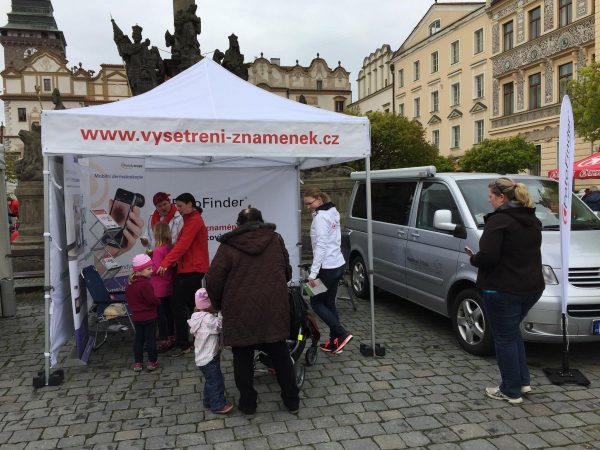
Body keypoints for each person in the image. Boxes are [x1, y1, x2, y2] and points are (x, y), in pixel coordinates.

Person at [206, 207, 300, 415]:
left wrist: (220, 303)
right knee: (280, 353)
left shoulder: (227, 246)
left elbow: (213, 280)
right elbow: (286, 270)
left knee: (242, 357)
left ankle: (248, 404)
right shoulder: (275, 239)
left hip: (239, 309)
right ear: (261, 220)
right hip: (273, 306)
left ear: (238, 224)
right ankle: (292, 401)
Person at [468, 177, 544, 405]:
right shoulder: (532, 219)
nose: (489, 200)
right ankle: (522, 381)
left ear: (502, 197)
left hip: (503, 288)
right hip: (531, 287)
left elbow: (489, 256)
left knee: (504, 339)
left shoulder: (499, 221)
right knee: (512, 334)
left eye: (491, 196)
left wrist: (474, 259)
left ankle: (510, 390)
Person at [157, 193, 209, 357]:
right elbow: (181, 244)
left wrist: (165, 262)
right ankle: (203, 337)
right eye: (177, 206)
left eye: (180, 206)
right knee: (191, 305)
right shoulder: (190, 219)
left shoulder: (194, 221)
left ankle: (183, 344)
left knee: (177, 304)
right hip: (191, 267)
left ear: (190, 204)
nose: (177, 209)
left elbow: (183, 245)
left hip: (192, 268)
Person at [303, 187, 353, 354]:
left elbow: (321, 246)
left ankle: (341, 333)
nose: (308, 207)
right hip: (338, 263)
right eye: (306, 204)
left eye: (309, 203)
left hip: (326, 267)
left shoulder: (321, 217)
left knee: (315, 302)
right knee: (329, 303)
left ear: (318, 199)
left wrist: (312, 274)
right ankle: (335, 342)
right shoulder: (332, 211)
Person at [188, 288, 233, 415]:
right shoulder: (208, 319)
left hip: (202, 357)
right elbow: (219, 327)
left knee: (210, 379)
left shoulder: (197, 316)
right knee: (216, 381)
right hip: (209, 357)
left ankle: (208, 400)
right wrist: (220, 313)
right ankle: (218, 405)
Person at [125, 254, 162, 372]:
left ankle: (138, 362)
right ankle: (152, 361)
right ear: (139, 271)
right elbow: (152, 300)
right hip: (149, 316)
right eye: (149, 269)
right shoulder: (145, 284)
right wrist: (158, 302)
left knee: (138, 340)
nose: (152, 271)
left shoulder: (130, 285)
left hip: (136, 317)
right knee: (150, 340)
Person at [150, 222, 175, 353]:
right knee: (168, 313)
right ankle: (171, 335)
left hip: (158, 288)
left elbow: (156, 269)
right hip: (168, 286)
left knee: (160, 316)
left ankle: (164, 339)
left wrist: (147, 266)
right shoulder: (169, 248)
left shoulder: (158, 250)